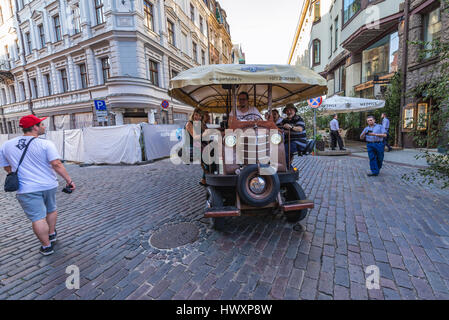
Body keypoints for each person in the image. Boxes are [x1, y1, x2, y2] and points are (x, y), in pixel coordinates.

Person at [0, 115, 75, 256]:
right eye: (42, 124)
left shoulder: (6, 145)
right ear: (34, 127)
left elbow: (7, 167)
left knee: (37, 218)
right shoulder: (46, 144)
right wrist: (69, 181)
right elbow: (56, 164)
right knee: (51, 209)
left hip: (26, 188)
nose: (44, 126)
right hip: (48, 184)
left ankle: (46, 247)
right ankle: (51, 234)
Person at [281, 103, 307, 168]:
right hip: (289, 142)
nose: (289, 112)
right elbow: (279, 127)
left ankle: (287, 168)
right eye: (287, 110)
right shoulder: (284, 120)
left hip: (299, 142)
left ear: (294, 111)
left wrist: (291, 127)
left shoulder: (298, 118)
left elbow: (300, 129)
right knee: (277, 148)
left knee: (284, 150)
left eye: (291, 110)